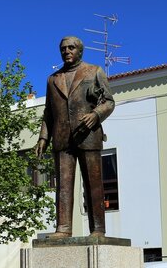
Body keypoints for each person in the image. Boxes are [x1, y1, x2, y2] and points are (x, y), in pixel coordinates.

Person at [34, 36, 116, 238]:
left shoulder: (94, 71)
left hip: (88, 134)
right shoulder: (53, 79)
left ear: (80, 51)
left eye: (71, 48)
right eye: (63, 48)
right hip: (62, 138)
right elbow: (48, 112)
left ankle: (98, 229)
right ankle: (63, 228)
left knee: (93, 184)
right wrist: (43, 138)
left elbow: (109, 102)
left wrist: (96, 115)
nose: (67, 51)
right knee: (63, 186)